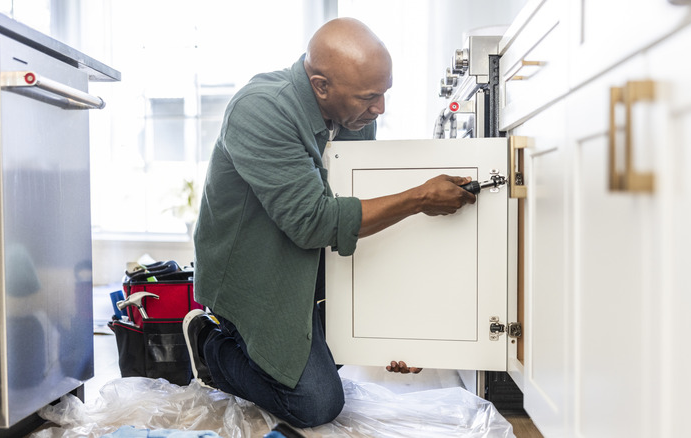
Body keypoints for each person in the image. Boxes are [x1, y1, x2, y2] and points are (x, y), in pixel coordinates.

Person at [183, 17, 477, 428]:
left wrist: (396, 335)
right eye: (369, 97)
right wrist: (419, 198)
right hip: (255, 274)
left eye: (384, 93)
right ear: (321, 85)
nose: (380, 109)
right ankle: (212, 347)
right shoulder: (261, 109)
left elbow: (355, 214)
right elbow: (314, 224)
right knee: (315, 403)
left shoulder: (356, 120)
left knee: (334, 365)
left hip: (312, 266)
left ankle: (297, 345)